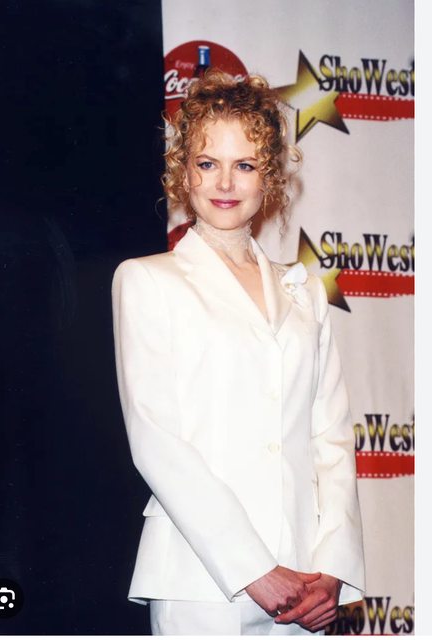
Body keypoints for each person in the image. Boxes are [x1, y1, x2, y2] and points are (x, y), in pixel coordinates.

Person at [111, 69, 365, 636]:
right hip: (200, 577)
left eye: (245, 165)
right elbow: (156, 440)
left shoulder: (304, 292)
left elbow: (331, 438)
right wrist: (253, 569)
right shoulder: (147, 280)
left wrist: (333, 569)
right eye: (208, 163)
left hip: (306, 581)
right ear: (183, 171)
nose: (225, 182)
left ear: (269, 175)